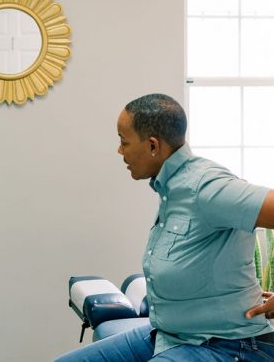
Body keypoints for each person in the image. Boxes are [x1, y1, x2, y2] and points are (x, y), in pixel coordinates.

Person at [56, 93, 274, 361]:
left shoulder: (206, 187)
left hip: (229, 344)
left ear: (152, 146)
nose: (119, 150)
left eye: (124, 142)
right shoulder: (171, 186)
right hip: (168, 334)